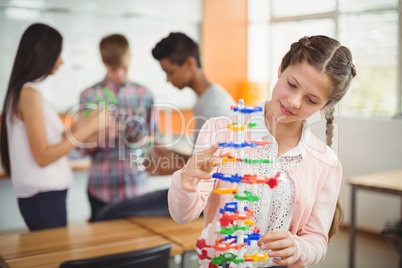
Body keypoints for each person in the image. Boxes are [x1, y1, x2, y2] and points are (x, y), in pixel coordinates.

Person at [168, 35, 356, 267]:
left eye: (311, 100)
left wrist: (300, 248)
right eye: (291, 85)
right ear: (280, 69)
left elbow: (317, 240)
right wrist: (187, 180)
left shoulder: (326, 162)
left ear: (326, 106)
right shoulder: (221, 132)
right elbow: (181, 215)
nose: (295, 102)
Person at [0, 23, 109, 231]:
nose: (61, 61)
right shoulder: (29, 94)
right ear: (43, 54)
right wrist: (90, 127)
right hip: (43, 195)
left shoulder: (26, 92)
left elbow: (53, 140)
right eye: (58, 53)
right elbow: (43, 156)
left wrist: (82, 125)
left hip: (45, 195)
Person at [79, 34, 188, 222]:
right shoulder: (89, 96)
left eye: (124, 67)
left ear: (130, 58)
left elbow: (155, 139)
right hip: (102, 189)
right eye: (114, 69)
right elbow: (83, 147)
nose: (120, 74)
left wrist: (143, 140)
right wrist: (101, 136)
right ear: (104, 62)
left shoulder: (144, 94)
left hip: (137, 188)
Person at [152, 32, 236, 143]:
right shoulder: (205, 100)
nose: (168, 79)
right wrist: (169, 155)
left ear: (189, 63)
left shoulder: (215, 108)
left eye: (170, 72)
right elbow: (200, 156)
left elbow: (213, 160)